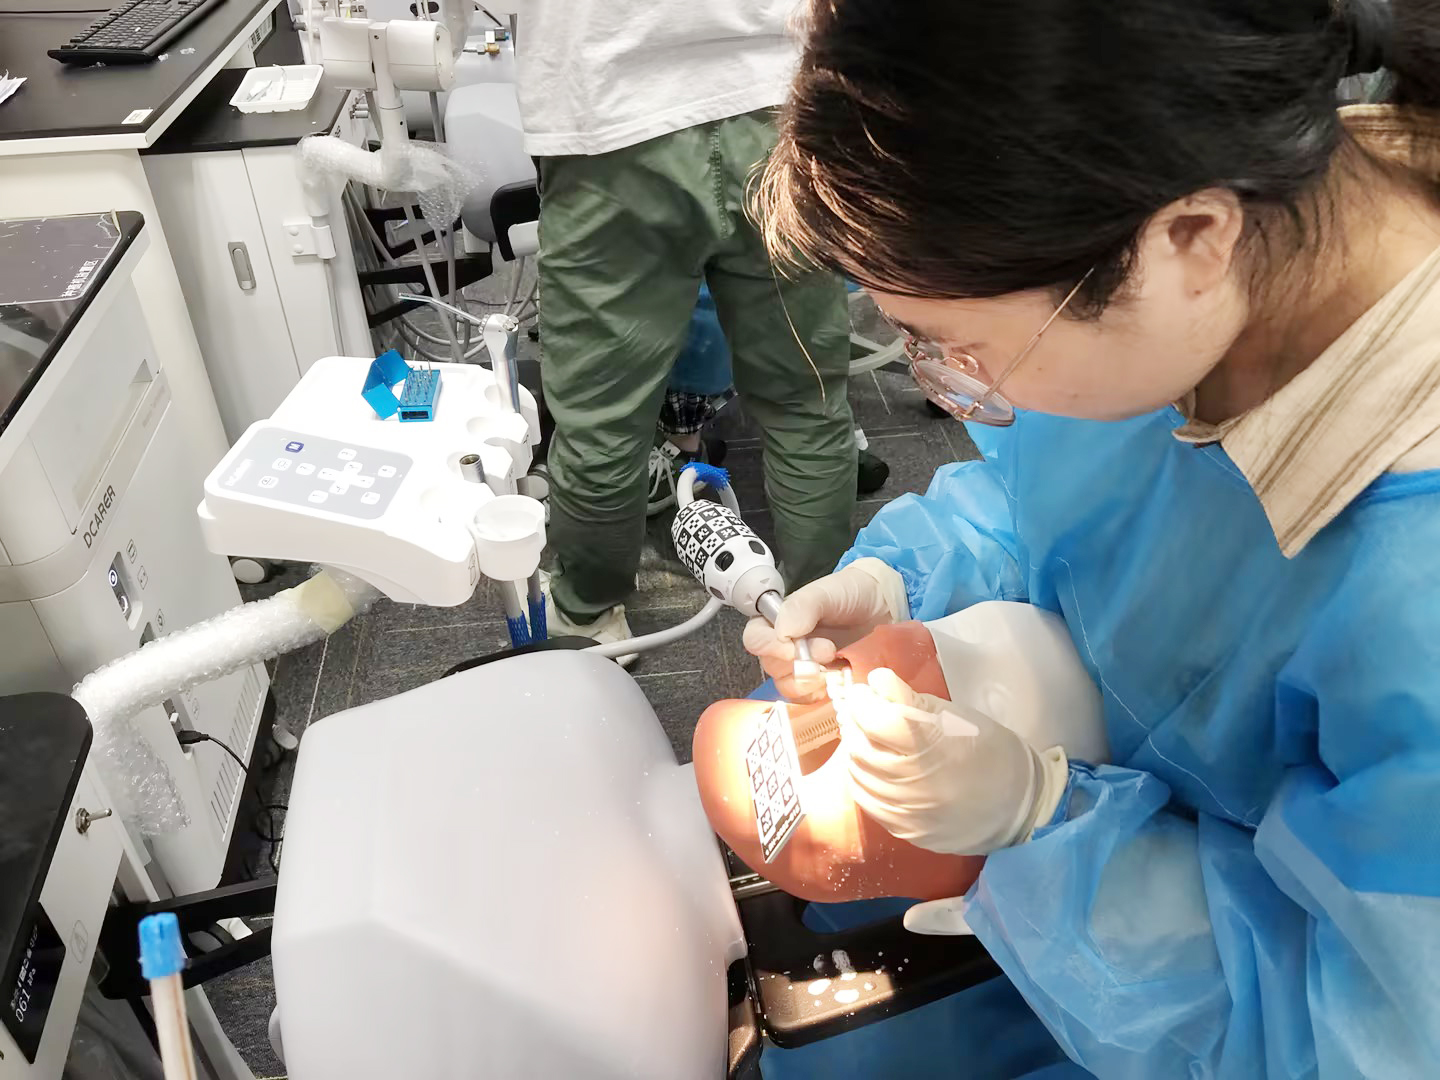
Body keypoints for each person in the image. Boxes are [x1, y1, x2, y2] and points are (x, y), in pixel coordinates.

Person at [693, 0, 1440, 1075]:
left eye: (958, 347)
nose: (945, 383)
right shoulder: (1191, 246)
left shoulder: (1412, 613)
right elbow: (1067, 486)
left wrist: (1041, 819)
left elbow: (1346, 1043)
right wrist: (907, 580)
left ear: (1191, 239)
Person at [512, 1, 858, 658]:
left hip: (612, 118)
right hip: (781, 99)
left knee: (601, 420)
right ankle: (829, 620)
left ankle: (587, 615)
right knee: (805, 404)